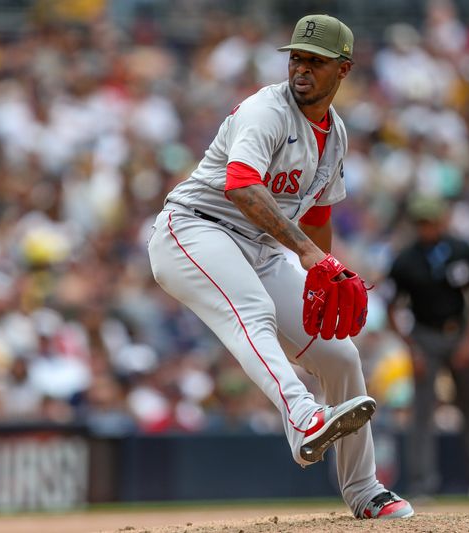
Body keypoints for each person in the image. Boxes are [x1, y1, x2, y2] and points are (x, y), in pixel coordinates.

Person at [147, 14, 413, 520]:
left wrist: (325, 266)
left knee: (340, 356)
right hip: (195, 229)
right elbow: (242, 185)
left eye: (315, 61)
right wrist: (311, 256)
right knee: (251, 311)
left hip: (260, 246)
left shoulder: (334, 136)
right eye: (296, 58)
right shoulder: (265, 110)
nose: (302, 69)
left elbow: (316, 215)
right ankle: (302, 415)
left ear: (344, 70)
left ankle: (365, 491)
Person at [386, 195, 469, 500]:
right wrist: (411, 348)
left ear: (442, 221)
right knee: (422, 412)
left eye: (431, 221)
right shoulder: (406, 259)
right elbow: (391, 306)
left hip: (459, 332)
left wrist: (468, 339)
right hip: (425, 336)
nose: (426, 228)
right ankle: (421, 484)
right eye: (421, 223)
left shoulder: (460, 250)